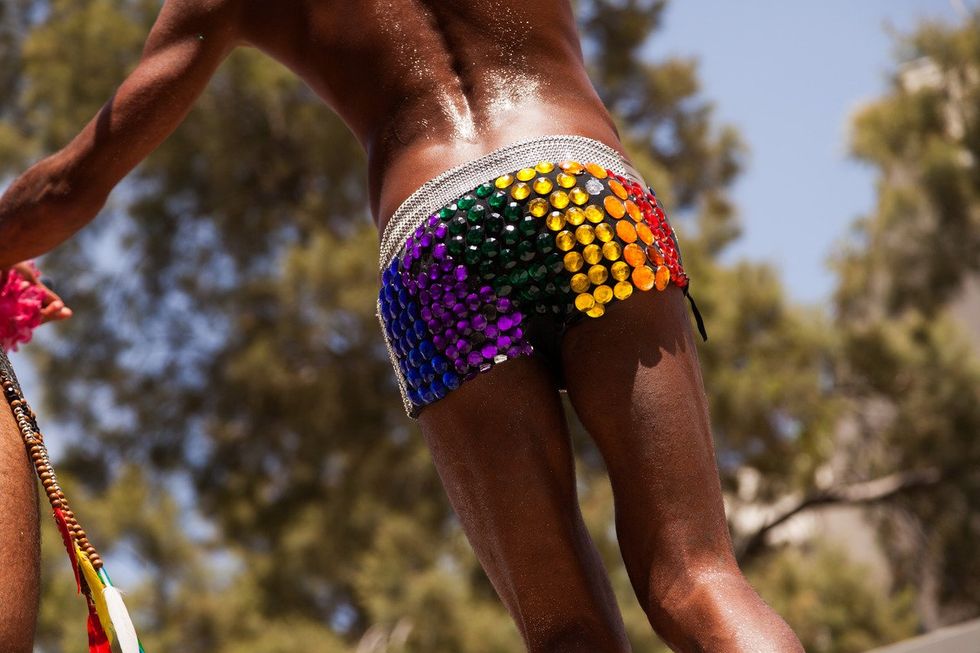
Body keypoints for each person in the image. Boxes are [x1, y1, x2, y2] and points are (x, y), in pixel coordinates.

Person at [0, 1, 805, 651]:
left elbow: (68, 187)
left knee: (567, 632)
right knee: (699, 579)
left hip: (438, 237)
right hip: (580, 187)